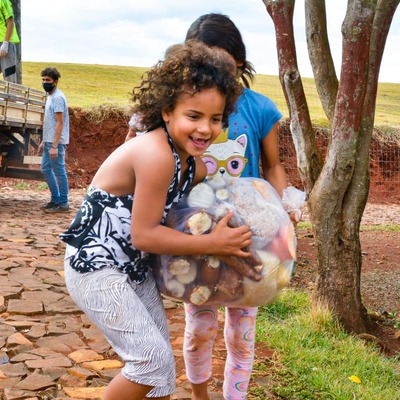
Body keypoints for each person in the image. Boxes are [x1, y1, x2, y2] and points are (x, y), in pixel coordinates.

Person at [60, 40, 250, 400]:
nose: (205, 129)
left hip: (133, 269)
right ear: (166, 111)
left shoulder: (187, 161)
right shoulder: (156, 154)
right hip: (95, 267)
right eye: (193, 116)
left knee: (161, 376)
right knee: (149, 362)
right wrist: (210, 244)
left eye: (215, 119)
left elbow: (213, 193)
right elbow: (145, 234)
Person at [183, 13, 299, 400]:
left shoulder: (261, 109)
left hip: (249, 239)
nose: (216, 70)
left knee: (241, 335)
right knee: (199, 330)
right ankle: (200, 396)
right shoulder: (186, 106)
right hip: (198, 235)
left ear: (240, 61)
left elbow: (274, 165)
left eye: (224, 62)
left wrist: (282, 212)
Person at [39, 67, 70, 212]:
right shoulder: (50, 96)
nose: (45, 82)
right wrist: (44, 140)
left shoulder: (57, 97)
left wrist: (55, 146)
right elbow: (50, 122)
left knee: (59, 171)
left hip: (55, 142)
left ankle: (63, 203)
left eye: (48, 80)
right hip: (49, 140)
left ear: (55, 82)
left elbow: (60, 122)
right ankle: (55, 199)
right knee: (45, 168)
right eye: (43, 79)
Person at [0, 0, 19, 83]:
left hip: (5, 43)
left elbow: (10, 22)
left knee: (9, 76)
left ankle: (12, 95)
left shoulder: (3, 1)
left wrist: (5, 43)